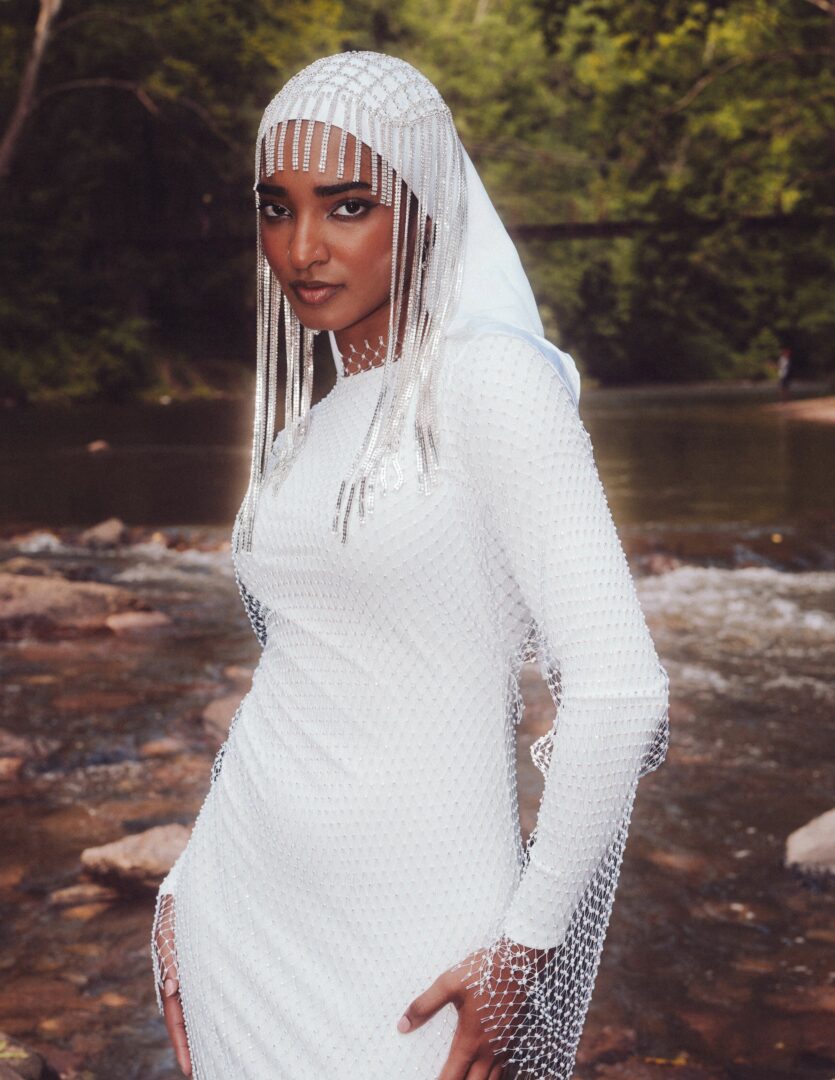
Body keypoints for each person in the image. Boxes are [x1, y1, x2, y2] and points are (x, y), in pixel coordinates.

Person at [150, 51, 669, 1080]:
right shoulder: (304, 435)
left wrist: (523, 946)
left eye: (347, 206)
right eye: (276, 208)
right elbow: (297, 675)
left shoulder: (492, 385)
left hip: (420, 937)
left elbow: (620, 693)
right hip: (238, 916)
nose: (302, 247)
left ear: (427, 208)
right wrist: (181, 885)